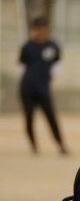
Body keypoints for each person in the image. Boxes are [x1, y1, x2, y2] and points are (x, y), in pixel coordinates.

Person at [18, 16, 68, 155]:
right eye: (38, 29)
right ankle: (33, 145)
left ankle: (61, 145)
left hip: (43, 88)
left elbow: (58, 63)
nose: (41, 32)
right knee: (29, 117)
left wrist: (53, 75)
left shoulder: (52, 46)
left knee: (51, 116)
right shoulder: (27, 46)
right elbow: (21, 66)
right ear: (34, 30)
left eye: (43, 29)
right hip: (27, 88)